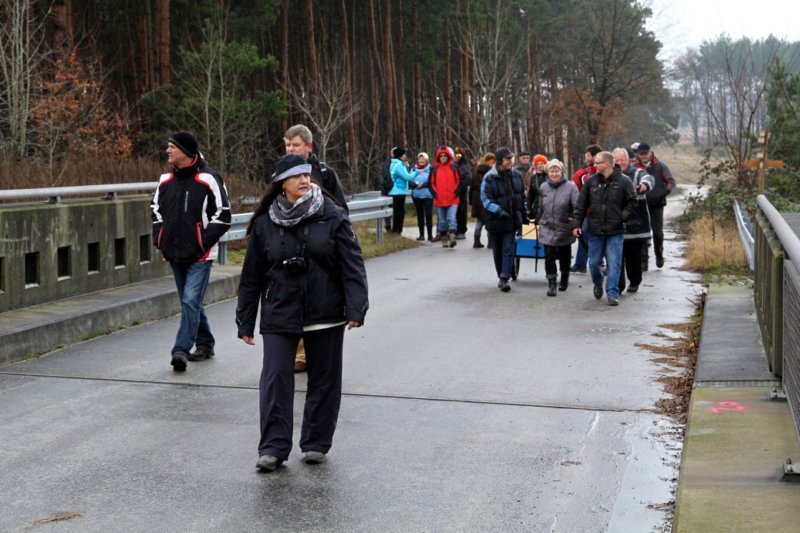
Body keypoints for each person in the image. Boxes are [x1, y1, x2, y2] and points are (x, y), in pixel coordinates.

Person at [235, 153, 368, 472]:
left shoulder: (332, 214)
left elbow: (352, 263)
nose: (304, 180)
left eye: (306, 174)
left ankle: (316, 443)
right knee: (276, 378)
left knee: (324, 377)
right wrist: (245, 319)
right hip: (280, 310)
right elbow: (252, 274)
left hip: (326, 310)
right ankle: (273, 447)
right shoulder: (265, 221)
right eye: (296, 176)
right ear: (281, 183)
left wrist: (356, 305)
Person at [151, 131, 231, 372]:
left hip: (201, 255)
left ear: (186, 152)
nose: (167, 151)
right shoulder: (165, 180)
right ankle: (205, 343)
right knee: (191, 303)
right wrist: (160, 238)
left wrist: (202, 242)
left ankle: (180, 350)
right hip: (174, 252)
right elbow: (155, 209)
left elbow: (223, 214)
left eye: (172, 147)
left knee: (189, 300)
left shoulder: (209, 179)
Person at [284, 124, 349, 372]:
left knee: (314, 302)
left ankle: (308, 354)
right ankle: (297, 352)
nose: (290, 149)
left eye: (295, 145)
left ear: (308, 147)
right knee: (293, 300)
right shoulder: (280, 173)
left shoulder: (325, 173)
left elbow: (341, 209)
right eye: (288, 145)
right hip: (289, 248)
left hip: (320, 249)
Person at [572, 151, 637, 306]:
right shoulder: (591, 182)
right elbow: (581, 205)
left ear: (606, 164)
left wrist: (622, 216)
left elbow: (633, 202)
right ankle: (598, 282)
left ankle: (612, 293)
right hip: (595, 230)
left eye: (597, 162)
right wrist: (576, 224)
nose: (594, 165)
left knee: (614, 264)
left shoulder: (624, 181)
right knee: (593, 264)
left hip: (615, 231)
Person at [481, 147, 527, 292]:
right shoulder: (489, 177)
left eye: (511, 158)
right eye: (508, 159)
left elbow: (522, 196)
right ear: (501, 161)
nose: (511, 161)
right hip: (495, 219)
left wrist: (524, 214)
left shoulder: (517, 175)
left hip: (512, 219)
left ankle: (504, 278)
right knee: (498, 250)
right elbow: (485, 199)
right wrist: (499, 211)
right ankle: (500, 274)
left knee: (508, 248)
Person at [535, 159, 579, 296]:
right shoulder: (543, 187)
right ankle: (552, 283)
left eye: (557, 171)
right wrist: (537, 219)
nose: (554, 174)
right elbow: (541, 206)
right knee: (549, 255)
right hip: (547, 226)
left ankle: (564, 276)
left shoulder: (571, 187)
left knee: (564, 254)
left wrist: (574, 223)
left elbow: (577, 207)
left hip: (564, 225)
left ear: (562, 171)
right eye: (552, 171)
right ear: (548, 172)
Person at [613, 148, 653, 294]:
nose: (619, 163)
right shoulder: (609, 176)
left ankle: (635, 281)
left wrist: (645, 185)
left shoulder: (636, 173)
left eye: (622, 160)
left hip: (635, 225)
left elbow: (648, 178)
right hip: (615, 225)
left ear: (628, 160)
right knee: (616, 258)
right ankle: (619, 284)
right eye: (616, 160)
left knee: (633, 257)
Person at [634, 142, 676, 270]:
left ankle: (659, 255)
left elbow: (671, 181)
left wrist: (664, 193)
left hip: (657, 204)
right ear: (637, 155)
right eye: (641, 154)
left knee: (657, 233)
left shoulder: (660, 166)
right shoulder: (635, 168)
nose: (643, 156)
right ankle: (643, 262)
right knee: (643, 234)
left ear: (650, 152)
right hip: (640, 205)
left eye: (645, 153)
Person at [570, 144, 602, 273]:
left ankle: (599, 262)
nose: (586, 159)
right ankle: (580, 263)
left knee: (601, 237)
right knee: (583, 235)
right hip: (586, 213)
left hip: (602, 213)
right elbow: (574, 191)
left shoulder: (606, 172)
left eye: (587, 156)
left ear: (594, 156)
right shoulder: (582, 174)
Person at [430, 145, 463, 248]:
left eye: (445, 156)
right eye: (441, 156)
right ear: (438, 157)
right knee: (442, 221)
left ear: (448, 156)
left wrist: (456, 192)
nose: (443, 157)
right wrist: (435, 194)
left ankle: (452, 236)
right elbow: (431, 183)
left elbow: (459, 181)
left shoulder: (454, 167)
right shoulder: (434, 169)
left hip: (452, 198)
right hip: (439, 199)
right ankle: (444, 236)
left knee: (451, 218)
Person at [388, 146, 419, 234]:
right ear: (400, 155)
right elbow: (407, 177)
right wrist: (417, 172)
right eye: (404, 154)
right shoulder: (398, 165)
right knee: (400, 213)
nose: (405, 156)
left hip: (396, 191)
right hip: (398, 191)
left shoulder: (395, 163)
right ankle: (397, 231)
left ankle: (396, 230)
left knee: (398, 212)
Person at [470, 152, 495, 248]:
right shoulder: (491, 172)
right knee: (489, 221)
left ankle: (476, 241)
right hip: (487, 197)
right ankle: (490, 242)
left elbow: (472, 186)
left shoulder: (476, 170)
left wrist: (470, 200)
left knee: (479, 221)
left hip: (476, 198)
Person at [410, 152, 434, 241]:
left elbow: (432, 181)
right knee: (420, 215)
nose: (421, 160)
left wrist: (423, 184)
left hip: (428, 195)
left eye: (423, 159)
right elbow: (409, 180)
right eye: (420, 159)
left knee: (428, 215)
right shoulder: (413, 169)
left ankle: (430, 235)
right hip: (416, 195)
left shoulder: (431, 169)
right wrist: (416, 184)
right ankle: (421, 235)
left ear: (426, 160)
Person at [454, 147, 473, 240]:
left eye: (458, 155)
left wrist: (459, 188)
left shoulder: (464, 165)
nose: (457, 156)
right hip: (450, 192)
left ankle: (461, 230)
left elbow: (468, 178)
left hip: (461, 193)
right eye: (455, 154)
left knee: (461, 211)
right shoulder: (451, 165)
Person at [526, 154, 549, 219]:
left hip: (547, 207)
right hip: (536, 207)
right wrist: (528, 207)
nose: (540, 165)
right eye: (538, 164)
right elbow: (530, 194)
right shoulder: (533, 177)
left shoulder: (550, 176)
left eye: (542, 163)